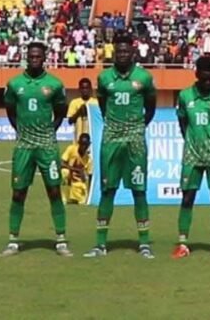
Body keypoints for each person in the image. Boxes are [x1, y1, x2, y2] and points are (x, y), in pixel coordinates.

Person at [84, 33, 156, 259]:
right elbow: (103, 106)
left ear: (132, 52)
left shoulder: (144, 77)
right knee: (107, 190)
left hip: (135, 141)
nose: (123, 54)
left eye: (126, 51)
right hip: (112, 140)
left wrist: (138, 126)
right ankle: (100, 244)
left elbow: (151, 107)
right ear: (114, 53)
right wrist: (115, 125)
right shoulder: (104, 77)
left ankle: (144, 244)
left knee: (139, 191)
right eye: (119, 51)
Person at [0, 42, 70, 257]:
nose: (34, 60)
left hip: (47, 145)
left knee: (54, 190)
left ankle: (61, 240)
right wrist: (21, 131)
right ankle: (13, 241)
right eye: (31, 56)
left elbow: (61, 111)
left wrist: (49, 131)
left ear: (44, 58)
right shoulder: (15, 84)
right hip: (24, 146)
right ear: (26, 58)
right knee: (18, 192)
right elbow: (10, 110)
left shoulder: (54, 84)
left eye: (38, 56)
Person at [172, 56, 210, 260]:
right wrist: (192, 141)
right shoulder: (185, 96)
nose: (208, 80)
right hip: (192, 155)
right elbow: (182, 123)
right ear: (196, 73)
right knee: (187, 197)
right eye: (204, 76)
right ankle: (182, 243)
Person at [67, 78, 98, 188]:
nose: (85, 90)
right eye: (83, 88)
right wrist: (78, 112)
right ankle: (74, 189)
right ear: (79, 89)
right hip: (78, 140)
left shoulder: (95, 103)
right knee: (76, 166)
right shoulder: (74, 103)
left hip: (91, 140)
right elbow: (70, 121)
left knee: (91, 167)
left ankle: (90, 189)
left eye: (87, 88)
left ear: (90, 89)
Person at [61, 133, 91, 204]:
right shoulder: (71, 149)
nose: (84, 147)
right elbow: (61, 163)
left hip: (77, 182)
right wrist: (76, 169)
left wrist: (83, 175)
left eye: (86, 145)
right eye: (82, 144)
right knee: (64, 172)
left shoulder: (88, 159)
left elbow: (88, 177)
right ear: (78, 143)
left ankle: (74, 197)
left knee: (81, 202)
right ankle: (63, 196)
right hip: (69, 178)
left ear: (89, 145)